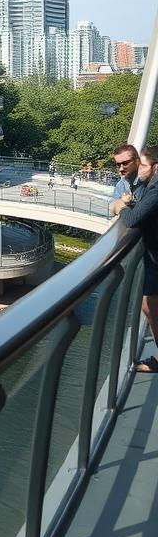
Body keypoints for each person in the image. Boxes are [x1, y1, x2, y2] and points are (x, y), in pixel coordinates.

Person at [111, 146, 158, 371]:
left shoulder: (155, 188)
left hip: (155, 256)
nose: (140, 170)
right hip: (152, 254)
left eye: (144, 165)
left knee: (150, 307)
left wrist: (121, 206)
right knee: (149, 307)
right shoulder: (146, 186)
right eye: (117, 164)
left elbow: (132, 219)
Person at [110, 144, 141, 216]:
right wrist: (122, 202)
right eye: (118, 165)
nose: (121, 168)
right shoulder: (122, 183)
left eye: (125, 163)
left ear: (137, 161)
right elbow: (112, 208)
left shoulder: (147, 181)